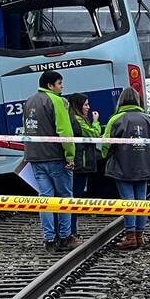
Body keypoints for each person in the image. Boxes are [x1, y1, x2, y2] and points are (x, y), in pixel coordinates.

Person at [22, 70, 80, 253]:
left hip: (35, 157)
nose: (62, 87)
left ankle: (49, 240)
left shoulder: (29, 102)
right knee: (64, 197)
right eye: (59, 83)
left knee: (45, 199)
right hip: (55, 157)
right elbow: (65, 131)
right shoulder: (57, 101)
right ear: (50, 85)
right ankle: (65, 237)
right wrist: (70, 156)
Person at [102, 87, 150, 250]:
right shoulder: (149, 119)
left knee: (128, 200)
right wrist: (148, 156)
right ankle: (139, 235)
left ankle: (130, 236)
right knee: (141, 199)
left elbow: (106, 143)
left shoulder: (116, 119)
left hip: (122, 166)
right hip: (144, 165)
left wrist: (106, 156)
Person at [66, 93, 101, 238]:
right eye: (85, 104)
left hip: (79, 163)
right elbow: (94, 134)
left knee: (73, 198)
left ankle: (70, 230)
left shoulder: (72, 118)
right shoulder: (79, 121)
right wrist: (96, 121)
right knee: (75, 198)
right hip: (80, 164)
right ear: (78, 106)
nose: (88, 107)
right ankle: (71, 231)